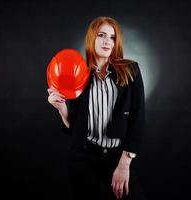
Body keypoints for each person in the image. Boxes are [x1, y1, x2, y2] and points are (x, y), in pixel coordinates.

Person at [47, 16, 147, 200]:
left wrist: (124, 165)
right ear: (91, 38)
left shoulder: (131, 70)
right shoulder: (79, 73)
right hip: (83, 158)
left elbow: (138, 119)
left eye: (112, 37)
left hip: (117, 157)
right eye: (101, 35)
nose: (107, 41)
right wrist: (61, 108)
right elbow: (74, 127)